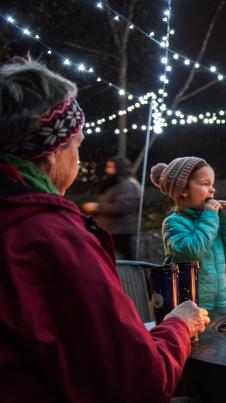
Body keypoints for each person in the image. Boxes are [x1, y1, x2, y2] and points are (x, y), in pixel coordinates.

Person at [0, 60, 209, 402]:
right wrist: (179, 325)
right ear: (52, 152)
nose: (78, 160)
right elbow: (139, 379)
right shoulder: (52, 238)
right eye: (76, 145)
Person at [150, 157, 226, 311]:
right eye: (205, 184)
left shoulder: (211, 221)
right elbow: (191, 253)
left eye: (212, 184)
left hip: (219, 303)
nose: (212, 189)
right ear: (184, 190)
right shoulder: (173, 223)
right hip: (188, 307)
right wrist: (210, 217)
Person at [82, 157, 141, 259]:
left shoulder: (126, 184)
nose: (107, 170)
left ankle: (131, 274)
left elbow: (122, 207)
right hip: (110, 228)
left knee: (125, 258)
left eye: (110, 167)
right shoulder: (113, 183)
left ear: (119, 168)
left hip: (121, 230)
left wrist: (96, 207)